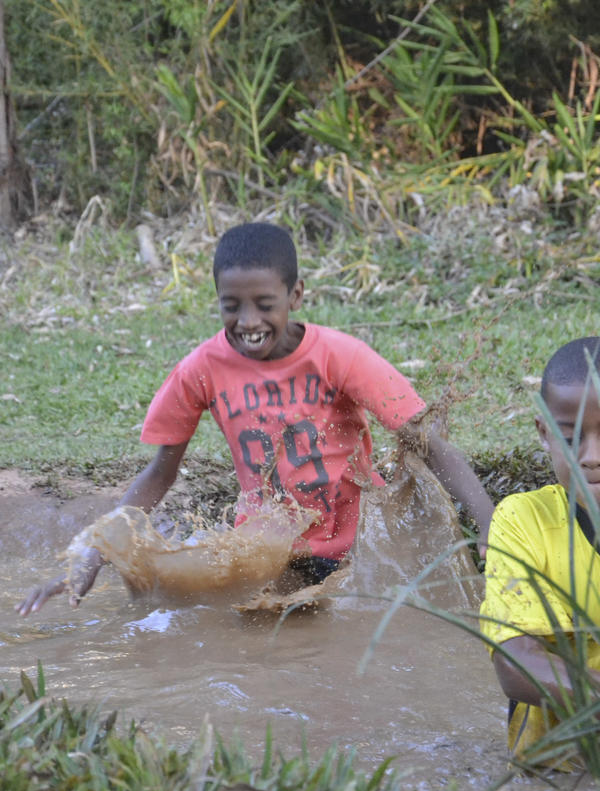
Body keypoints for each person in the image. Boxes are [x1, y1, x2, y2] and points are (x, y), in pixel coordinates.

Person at [17, 222, 493, 616]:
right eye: (232, 305)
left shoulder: (340, 357)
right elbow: (160, 473)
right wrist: (94, 551)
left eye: (265, 305)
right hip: (267, 552)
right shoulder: (200, 370)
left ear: (296, 294)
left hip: (356, 549)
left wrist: (491, 529)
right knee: (214, 627)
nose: (248, 321)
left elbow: (427, 443)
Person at [480, 336, 600, 765]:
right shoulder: (522, 523)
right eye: (572, 437)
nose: (591, 458)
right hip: (554, 773)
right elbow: (515, 662)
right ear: (544, 433)